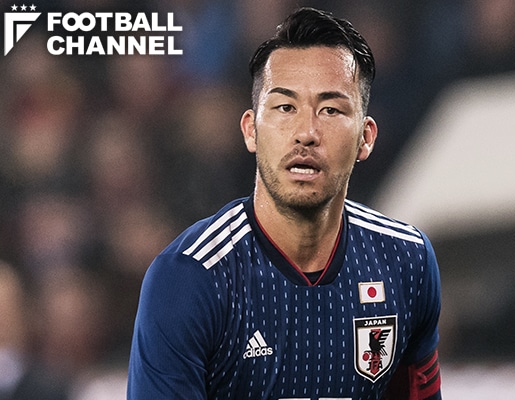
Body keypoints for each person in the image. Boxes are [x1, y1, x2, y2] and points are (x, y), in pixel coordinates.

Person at [127, 7, 442, 400]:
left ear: (366, 138)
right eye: (285, 108)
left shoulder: (406, 262)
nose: (306, 133)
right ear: (251, 131)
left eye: (330, 109)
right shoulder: (190, 277)